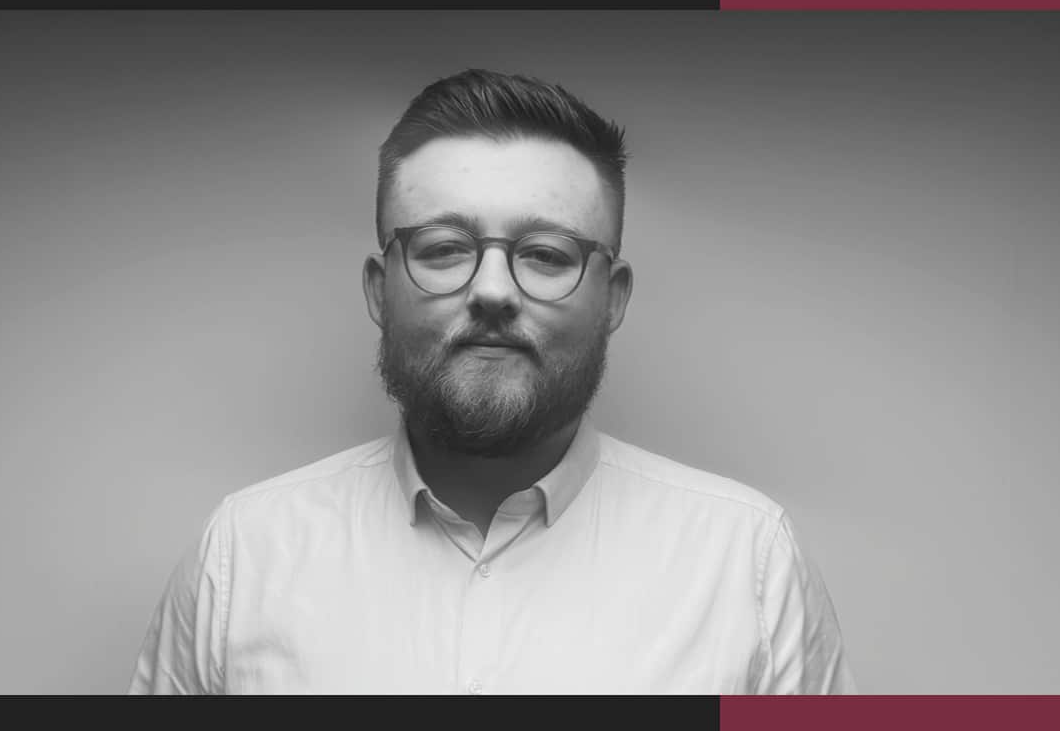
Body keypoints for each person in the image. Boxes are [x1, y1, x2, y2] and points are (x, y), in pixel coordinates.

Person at [128, 68, 854, 695]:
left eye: (546, 253)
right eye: (445, 248)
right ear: (381, 291)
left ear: (615, 297)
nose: (494, 290)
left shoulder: (747, 562)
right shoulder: (243, 554)